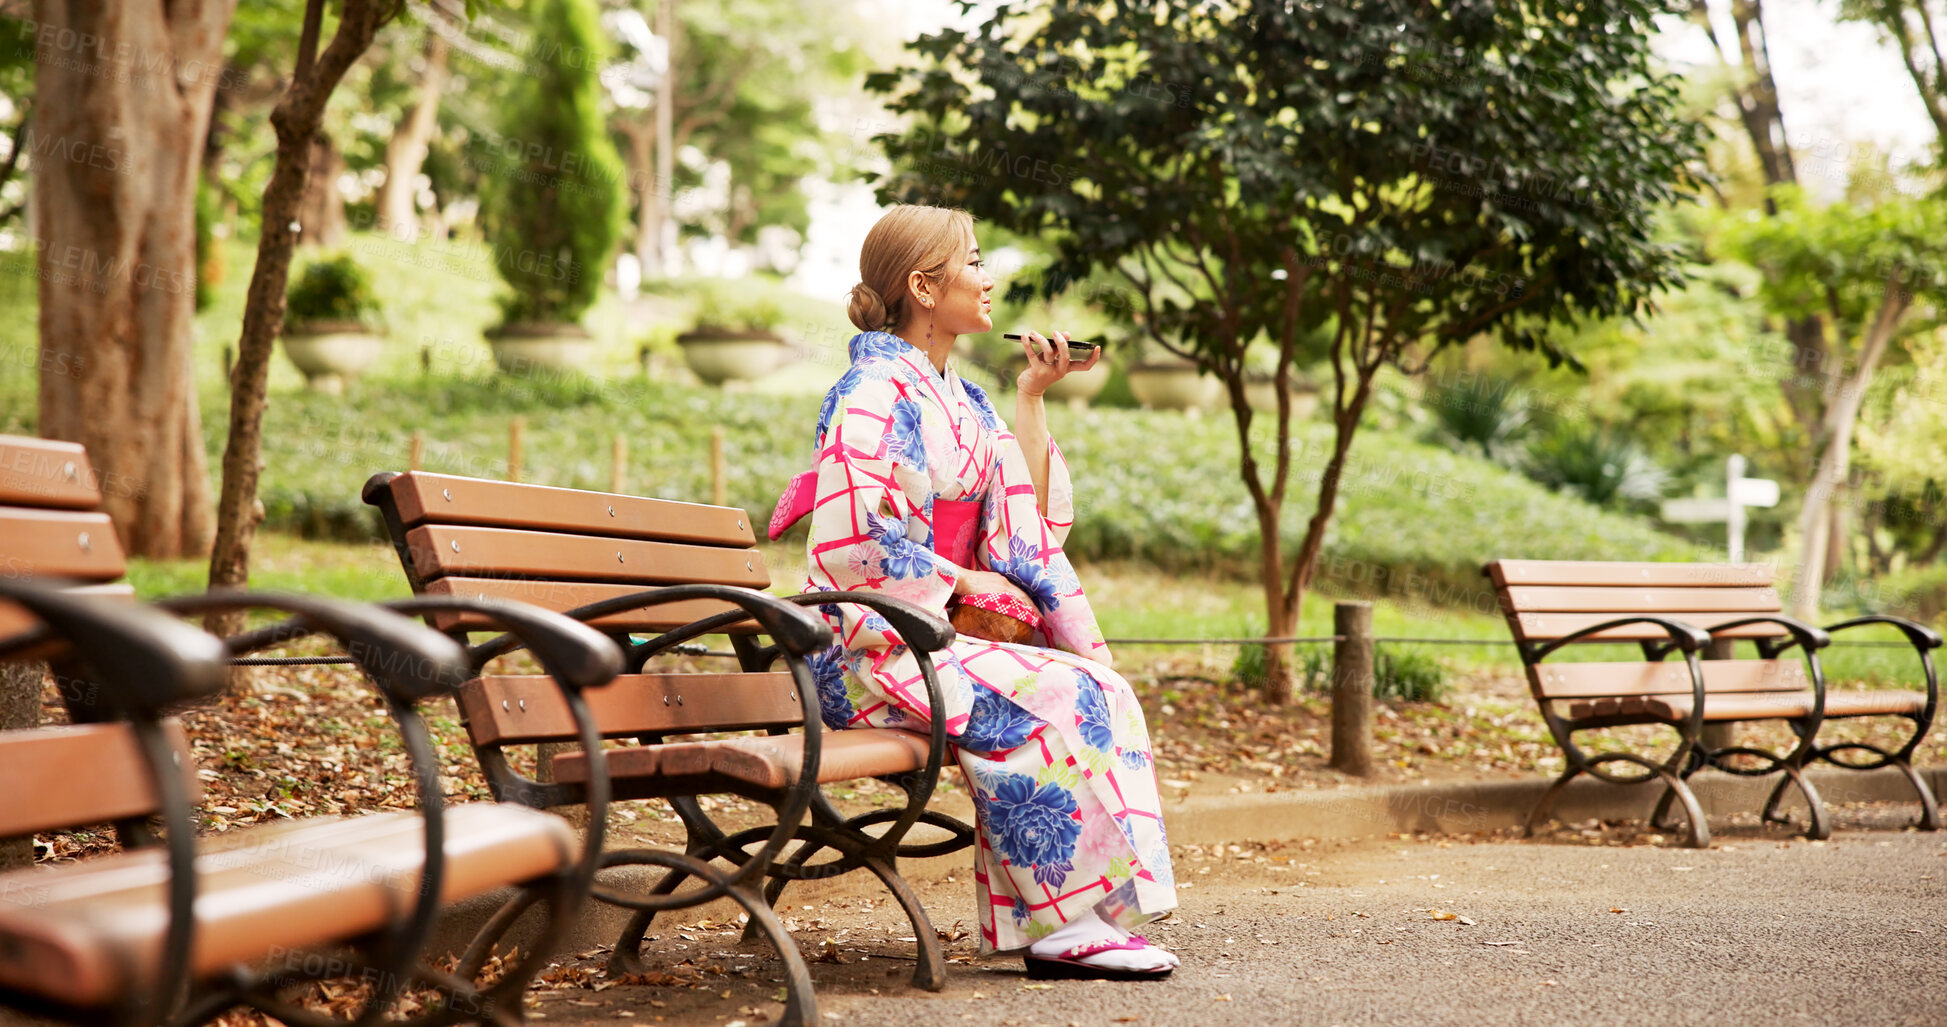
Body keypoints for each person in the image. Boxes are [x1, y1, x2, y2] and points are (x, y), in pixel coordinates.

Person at [798, 204, 1179, 980]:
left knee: (1096, 685)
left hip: (934, 638)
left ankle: (1082, 916)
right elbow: (855, 544)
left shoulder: (965, 400)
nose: (990, 275)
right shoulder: (870, 391)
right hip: (870, 649)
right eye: (972, 260)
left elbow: (1026, 526)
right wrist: (965, 577)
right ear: (922, 286)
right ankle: (1060, 923)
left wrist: (1032, 395)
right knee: (1052, 693)